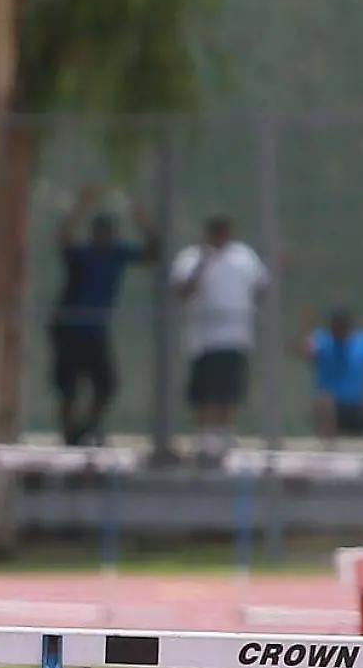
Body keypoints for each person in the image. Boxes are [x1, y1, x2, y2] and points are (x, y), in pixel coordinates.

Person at [47, 185, 161, 446]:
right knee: (68, 387)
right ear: (93, 234)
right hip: (69, 327)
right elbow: (62, 239)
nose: (104, 238)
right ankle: (70, 435)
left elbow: (154, 253)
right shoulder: (83, 255)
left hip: (95, 329)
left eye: (108, 233)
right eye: (100, 233)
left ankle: (89, 426)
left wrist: (142, 219)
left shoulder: (117, 254)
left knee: (106, 385)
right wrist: (81, 208)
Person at [169, 214, 270, 464]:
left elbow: (262, 285)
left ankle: (224, 439)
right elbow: (182, 291)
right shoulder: (190, 257)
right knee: (203, 392)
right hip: (202, 338)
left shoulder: (245, 256)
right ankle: (204, 440)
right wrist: (204, 262)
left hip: (234, 336)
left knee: (229, 390)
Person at [292, 306, 363, 442]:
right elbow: (303, 351)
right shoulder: (322, 341)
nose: (338, 330)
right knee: (325, 403)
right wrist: (304, 328)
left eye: (342, 326)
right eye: (336, 326)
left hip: (357, 407)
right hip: (332, 410)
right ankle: (328, 446)